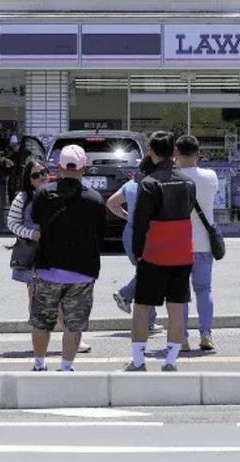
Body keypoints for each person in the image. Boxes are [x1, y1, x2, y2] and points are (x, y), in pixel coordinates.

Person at [29, 144, 107, 372]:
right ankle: (66, 367)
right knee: (74, 324)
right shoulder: (94, 199)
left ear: (60, 167)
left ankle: (39, 364)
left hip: (47, 268)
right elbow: (101, 232)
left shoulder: (44, 193)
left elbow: (34, 218)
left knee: (41, 321)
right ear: (84, 168)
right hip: (82, 271)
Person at [124, 131, 195, 372]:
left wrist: (137, 253)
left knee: (142, 307)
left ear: (152, 152)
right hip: (183, 252)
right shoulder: (188, 182)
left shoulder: (149, 184)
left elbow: (140, 223)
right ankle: (171, 360)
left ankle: (138, 360)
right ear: (173, 152)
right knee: (176, 307)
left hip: (154, 253)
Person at [175, 135, 220, 352]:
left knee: (180, 292)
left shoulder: (172, 177)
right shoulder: (210, 176)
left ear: (176, 153)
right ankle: (206, 334)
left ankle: (182, 337)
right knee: (204, 290)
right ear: (197, 154)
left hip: (178, 244)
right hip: (204, 244)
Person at [106, 156, 158, 333]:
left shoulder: (130, 184)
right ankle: (125, 294)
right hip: (149, 234)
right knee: (148, 274)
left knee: (146, 274)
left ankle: (150, 320)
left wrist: (127, 216)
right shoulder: (154, 185)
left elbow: (111, 203)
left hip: (130, 232)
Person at [6, 158, 49, 294]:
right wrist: (30, 233)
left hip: (54, 251)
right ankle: (34, 315)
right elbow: (12, 223)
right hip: (33, 252)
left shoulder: (57, 193)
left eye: (43, 172)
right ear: (29, 180)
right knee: (34, 292)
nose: (41, 177)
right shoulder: (22, 198)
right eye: (36, 176)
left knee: (57, 297)